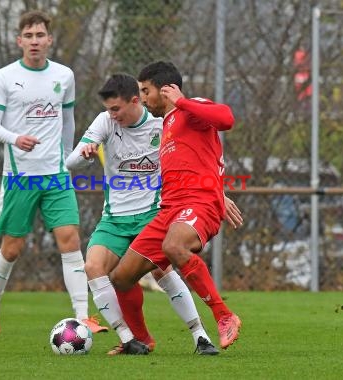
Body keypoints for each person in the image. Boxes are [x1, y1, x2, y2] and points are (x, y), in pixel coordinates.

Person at [66, 73, 242, 355]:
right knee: (101, 270)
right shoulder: (106, 121)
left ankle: (201, 335)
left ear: (135, 101)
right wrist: (86, 151)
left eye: (116, 108)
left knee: (166, 262)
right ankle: (133, 339)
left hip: (152, 212)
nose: (111, 114)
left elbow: (194, 159)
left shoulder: (164, 123)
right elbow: (70, 161)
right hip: (115, 218)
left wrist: (216, 193)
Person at [0, 10, 107, 334]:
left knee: (70, 240)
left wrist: (67, 158)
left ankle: (83, 316)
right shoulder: (4, 77)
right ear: (19, 40)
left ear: (49, 40)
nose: (35, 41)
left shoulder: (64, 75)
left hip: (56, 175)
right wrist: (15, 139)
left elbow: (68, 123)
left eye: (40, 36)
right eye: (29, 36)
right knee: (12, 247)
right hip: (20, 176)